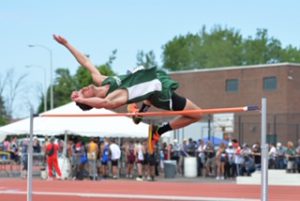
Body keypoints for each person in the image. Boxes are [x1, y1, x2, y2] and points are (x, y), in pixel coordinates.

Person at [53, 34, 202, 153]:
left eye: (81, 90)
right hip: (159, 92)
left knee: (137, 81)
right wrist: (81, 99)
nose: (83, 88)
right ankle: (158, 130)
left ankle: (139, 111)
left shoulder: (102, 80)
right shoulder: (113, 98)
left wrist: (66, 44)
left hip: (150, 81)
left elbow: (85, 61)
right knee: (197, 114)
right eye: (83, 93)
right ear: (89, 100)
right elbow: (103, 104)